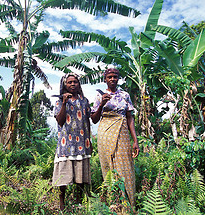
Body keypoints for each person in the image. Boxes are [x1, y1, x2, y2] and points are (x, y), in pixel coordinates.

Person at [91, 67, 139, 209]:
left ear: (118, 78)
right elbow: (94, 119)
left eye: (115, 76)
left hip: (123, 133)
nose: (112, 79)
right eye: (110, 77)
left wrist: (135, 140)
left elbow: (130, 118)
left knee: (126, 166)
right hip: (105, 133)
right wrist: (101, 105)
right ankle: (113, 204)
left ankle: (129, 205)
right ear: (105, 79)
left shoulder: (124, 95)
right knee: (108, 166)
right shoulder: (100, 96)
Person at [52, 73, 92, 211]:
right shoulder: (59, 101)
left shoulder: (84, 101)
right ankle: (62, 203)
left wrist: (89, 140)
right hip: (65, 144)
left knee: (80, 176)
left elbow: (87, 121)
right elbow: (60, 120)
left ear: (78, 84)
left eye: (75, 82)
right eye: (70, 82)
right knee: (62, 176)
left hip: (81, 142)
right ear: (65, 84)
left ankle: (78, 202)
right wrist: (64, 102)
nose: (73, 84)